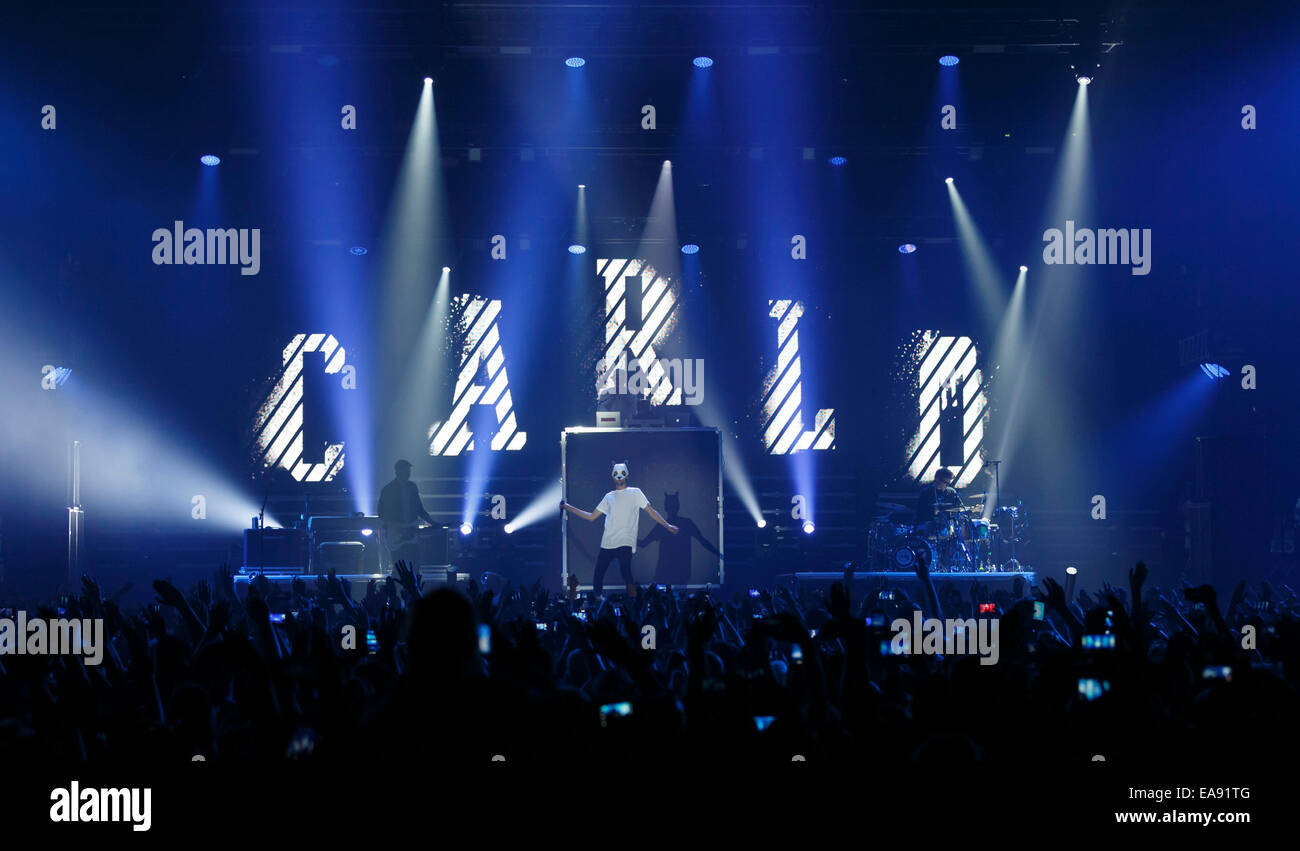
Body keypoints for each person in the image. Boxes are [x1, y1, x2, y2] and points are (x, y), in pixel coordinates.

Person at [560, 461, 678, 597]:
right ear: (612, 476)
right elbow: (591, 517)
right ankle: (598, 602)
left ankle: (635, 603)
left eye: (622, 473)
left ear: (626, 475)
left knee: (625, 571)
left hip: (625, 541)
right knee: (599, 574)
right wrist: (568, 507)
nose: (619, 476)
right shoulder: (608, 496)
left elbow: (651, 511)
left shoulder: (635, 493)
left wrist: (667, 526)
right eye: (616, 474)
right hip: (608, 542)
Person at [377, 459, 434, 567]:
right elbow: (381, 512)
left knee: (414, 563)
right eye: (406, 470)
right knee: (399, 564)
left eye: (408, 471)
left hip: (410, 530)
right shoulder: (388, 489)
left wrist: (432, 522)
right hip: (396, 532)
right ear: (397, 471)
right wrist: (393, 525)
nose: (408, 473)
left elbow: (419, 508)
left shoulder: (412, 487)